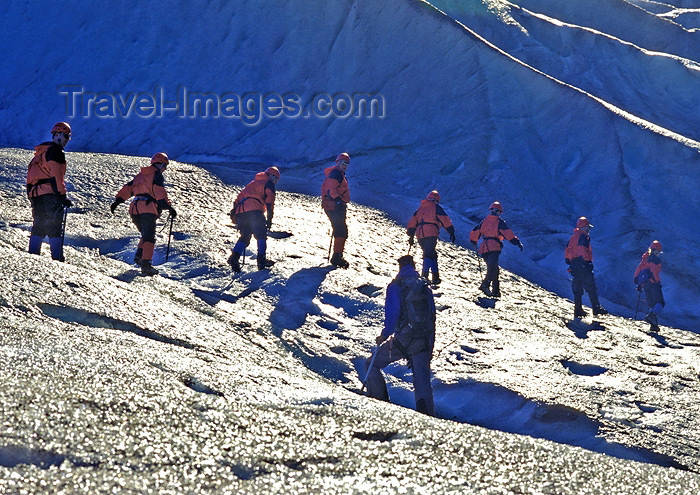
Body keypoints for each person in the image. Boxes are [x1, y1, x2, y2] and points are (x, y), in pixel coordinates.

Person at [364, 255, 436, 416]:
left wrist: (384, 335)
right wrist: (430, 344)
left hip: (403, 339)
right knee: (422, 378)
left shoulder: (396, 286)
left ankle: (379, 402)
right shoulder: (425, 287)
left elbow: (393, 313)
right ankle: (428, 415)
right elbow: (432, 316)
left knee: (371, 364)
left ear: (400, 267)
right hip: (423, 340)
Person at [110, 152, 177, 276]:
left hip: (135, 209)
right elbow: (159, 192)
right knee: (149, 238)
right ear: (160, 164)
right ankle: (146, 265)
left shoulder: (140, 176)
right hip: (147, 209)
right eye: (165, 166)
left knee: (145, 235)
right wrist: (168, 207)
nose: (165, 169)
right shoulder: (156, 175)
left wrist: (118, 200)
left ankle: (140, 255)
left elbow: (128, 188)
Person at [26, 122, 74, 261]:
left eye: (68, 137)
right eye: (66, 136)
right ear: (57, 134)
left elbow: (31, 177)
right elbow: (56, 177)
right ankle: (57, 258)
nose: (66, 140)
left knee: (38, 225)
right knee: (54, 227)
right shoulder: (56, 152)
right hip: (50, 194)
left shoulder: (41, 153)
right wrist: (62, 195)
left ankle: (33, 255)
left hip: (36, 194)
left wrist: (31, 194)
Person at [228, 166, 280, 272]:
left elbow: (238, 199)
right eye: (276, 179)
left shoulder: (253, 183)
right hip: (255, 211)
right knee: (261, 235)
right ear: (272, 176)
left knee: (245, 236)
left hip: (241, 212)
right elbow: (270, 203)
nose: (275, 182)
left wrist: (235, 214)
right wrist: (269, 220)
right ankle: (261, 261)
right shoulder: (268, 183)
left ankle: (234, 257)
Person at [469, 201, 523, 297]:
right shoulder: (499, 222)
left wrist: (473, 241)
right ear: (498, 211)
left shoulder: (484, 221)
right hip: (494, 247)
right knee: (492, 269)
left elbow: (475, 231)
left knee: (494, 269)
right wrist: (517, 243)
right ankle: (485, 285)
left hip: (484, 248)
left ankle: (496, 291)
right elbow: (508, 234)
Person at [406, 190, 456, 286]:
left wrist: (411, 236)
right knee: (429, 254)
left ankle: (435, 277)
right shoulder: (436, 208)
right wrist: (451, 231)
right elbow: (445, 220)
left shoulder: (420, 209)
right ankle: (425, 276)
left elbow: (412, 223)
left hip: (420, 234)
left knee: (431, 253)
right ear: (436, 200)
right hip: (431, 232)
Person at [564, 217, 607, 318]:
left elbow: (567, 252)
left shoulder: (574, 237)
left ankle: (578, 309)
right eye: (588, 228)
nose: (589, 230)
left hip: (574, 265)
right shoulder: (582, 237)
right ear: (583, 227)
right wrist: (587, 262)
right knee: (591, 287)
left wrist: (571, 261)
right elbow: (582, 251)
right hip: (582, 265)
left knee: (577, 288)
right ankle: (596, 308)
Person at [321, 152, 351, 268]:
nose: (345, 165)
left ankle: (337, 255)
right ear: (338, 162)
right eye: (344, 162)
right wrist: (338, 200)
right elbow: (331, 189)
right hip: (334, 206)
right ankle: (337, 256)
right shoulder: (336, 174)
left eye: (347, 163)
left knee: (340, 229)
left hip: (333, 205)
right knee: (341, 230)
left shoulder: (338, 174)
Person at [634, 240, 665, 331]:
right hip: (653, 284)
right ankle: (651, 317)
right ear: (655, 250)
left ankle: (654, 325)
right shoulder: (655, 259)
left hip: (645, 285)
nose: (659, 253)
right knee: (660, 302)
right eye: (658, 251)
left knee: (652, 304)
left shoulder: (645, 258)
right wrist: (657, 282)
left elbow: (638, 269)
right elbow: (654, 272)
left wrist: (638, 283)